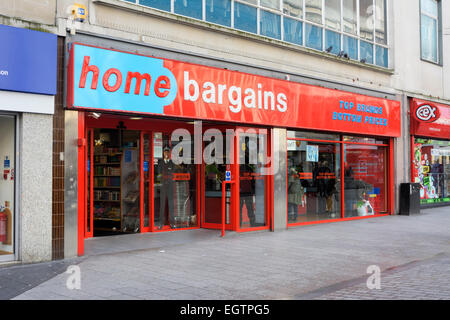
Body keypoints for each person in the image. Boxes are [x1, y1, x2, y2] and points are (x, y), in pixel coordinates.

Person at [157, 146, 175, 229]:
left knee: (171, 205)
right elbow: (158, 174)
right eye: (165, 152)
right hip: (163, 186)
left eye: (168, 152)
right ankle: (161, 223)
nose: (166, 153)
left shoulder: (172, 162)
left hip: (170, 186)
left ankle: (172, 223)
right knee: (162, 204)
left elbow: (173, 174)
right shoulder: (160, 163)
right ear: (163, 153)